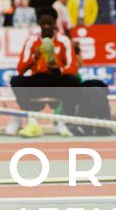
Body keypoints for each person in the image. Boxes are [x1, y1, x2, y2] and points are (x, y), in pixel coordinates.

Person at [10, 8, 78, 136]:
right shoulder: (31, 41)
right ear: (39, 24)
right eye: (43, 24)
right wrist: (34, 58)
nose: (46, 27)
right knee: (16, 81)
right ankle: (32, 120)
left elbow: (73, 67)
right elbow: (20, 69)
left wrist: (58, 69)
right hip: (38, 80)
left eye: (49, 23)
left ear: (54, 23)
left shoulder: (64, 41)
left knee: (73, 81)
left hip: (57, 79)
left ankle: (64, 121)